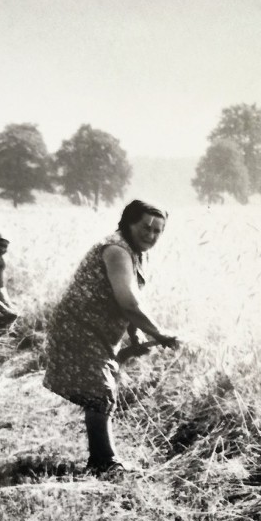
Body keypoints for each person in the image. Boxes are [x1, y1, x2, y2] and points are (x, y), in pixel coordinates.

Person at [43, 199, 180, 475]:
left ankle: (101, 459)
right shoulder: (117, 250)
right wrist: (160, 333)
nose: (151, 235)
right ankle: (104, 462)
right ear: (128, 223)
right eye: (145, 227)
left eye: (157, 231)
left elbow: (128, 300)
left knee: (100, 389)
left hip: (98, 331)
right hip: (79, 326)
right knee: (100, 390)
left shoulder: (136, 253)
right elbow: (128, 301)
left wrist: (136, 332)